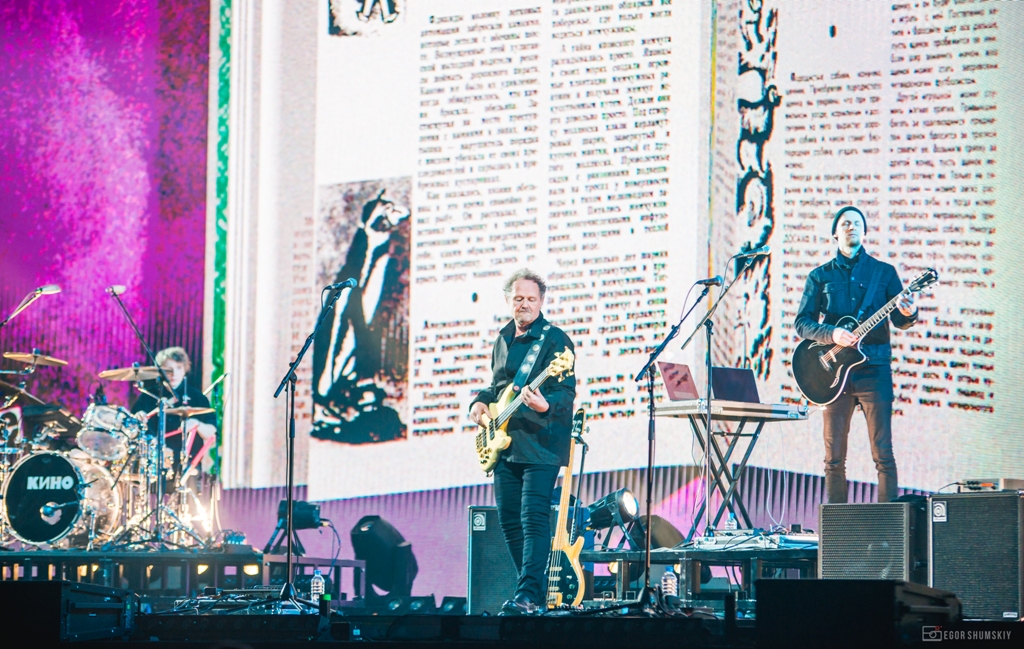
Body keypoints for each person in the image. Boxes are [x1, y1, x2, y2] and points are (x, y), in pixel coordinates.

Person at [469, 269, 576, 615]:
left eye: (531, 298)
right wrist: (479, 403)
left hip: (541, 444)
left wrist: (546, 404)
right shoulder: (502, 339)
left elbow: (566, 393)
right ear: (508, 300)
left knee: (533, 519)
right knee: (510, 522)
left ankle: (528, 594)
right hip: (505, 444)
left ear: (541, 301)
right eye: (518, 298)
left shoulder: (555, 341)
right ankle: (531, 594)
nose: (524, 304)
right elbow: (497, 386)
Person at [794, 206, 918, 503]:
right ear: (835, 233)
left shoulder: (884, 273)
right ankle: (838, 525)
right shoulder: (819, 276)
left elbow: (900, 320)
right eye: (846, 223)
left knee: (883, 453)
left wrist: (909, 312)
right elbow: (802, 323)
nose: (852, 227)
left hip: (874, 369)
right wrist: (832, 334)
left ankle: (890, 524)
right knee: (833, 457)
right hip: (833, 375)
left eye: (857, 223)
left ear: (865, 232)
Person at [130, 347, 217, 477]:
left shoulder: (197, 397)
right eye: (169, 369)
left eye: (178, 368)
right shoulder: (148, 395)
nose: (174, 373)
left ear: (185, 369)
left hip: (187, 464)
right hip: (153, 462)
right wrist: (138, 418)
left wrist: (196, 424)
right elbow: (131, 429)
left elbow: (212, 433)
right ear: (160, 370)